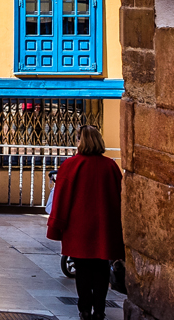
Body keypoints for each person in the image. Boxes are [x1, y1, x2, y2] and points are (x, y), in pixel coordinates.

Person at [46, 125, 123, 320]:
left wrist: (57, 225)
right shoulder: (111, 166)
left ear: (81, 140)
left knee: (82, 269)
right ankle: (99, 310)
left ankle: (85, 309)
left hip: (78, 227)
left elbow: (61, 199)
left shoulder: (70, 165)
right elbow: (121, 197)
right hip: (104, 226)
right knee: (101, 269)